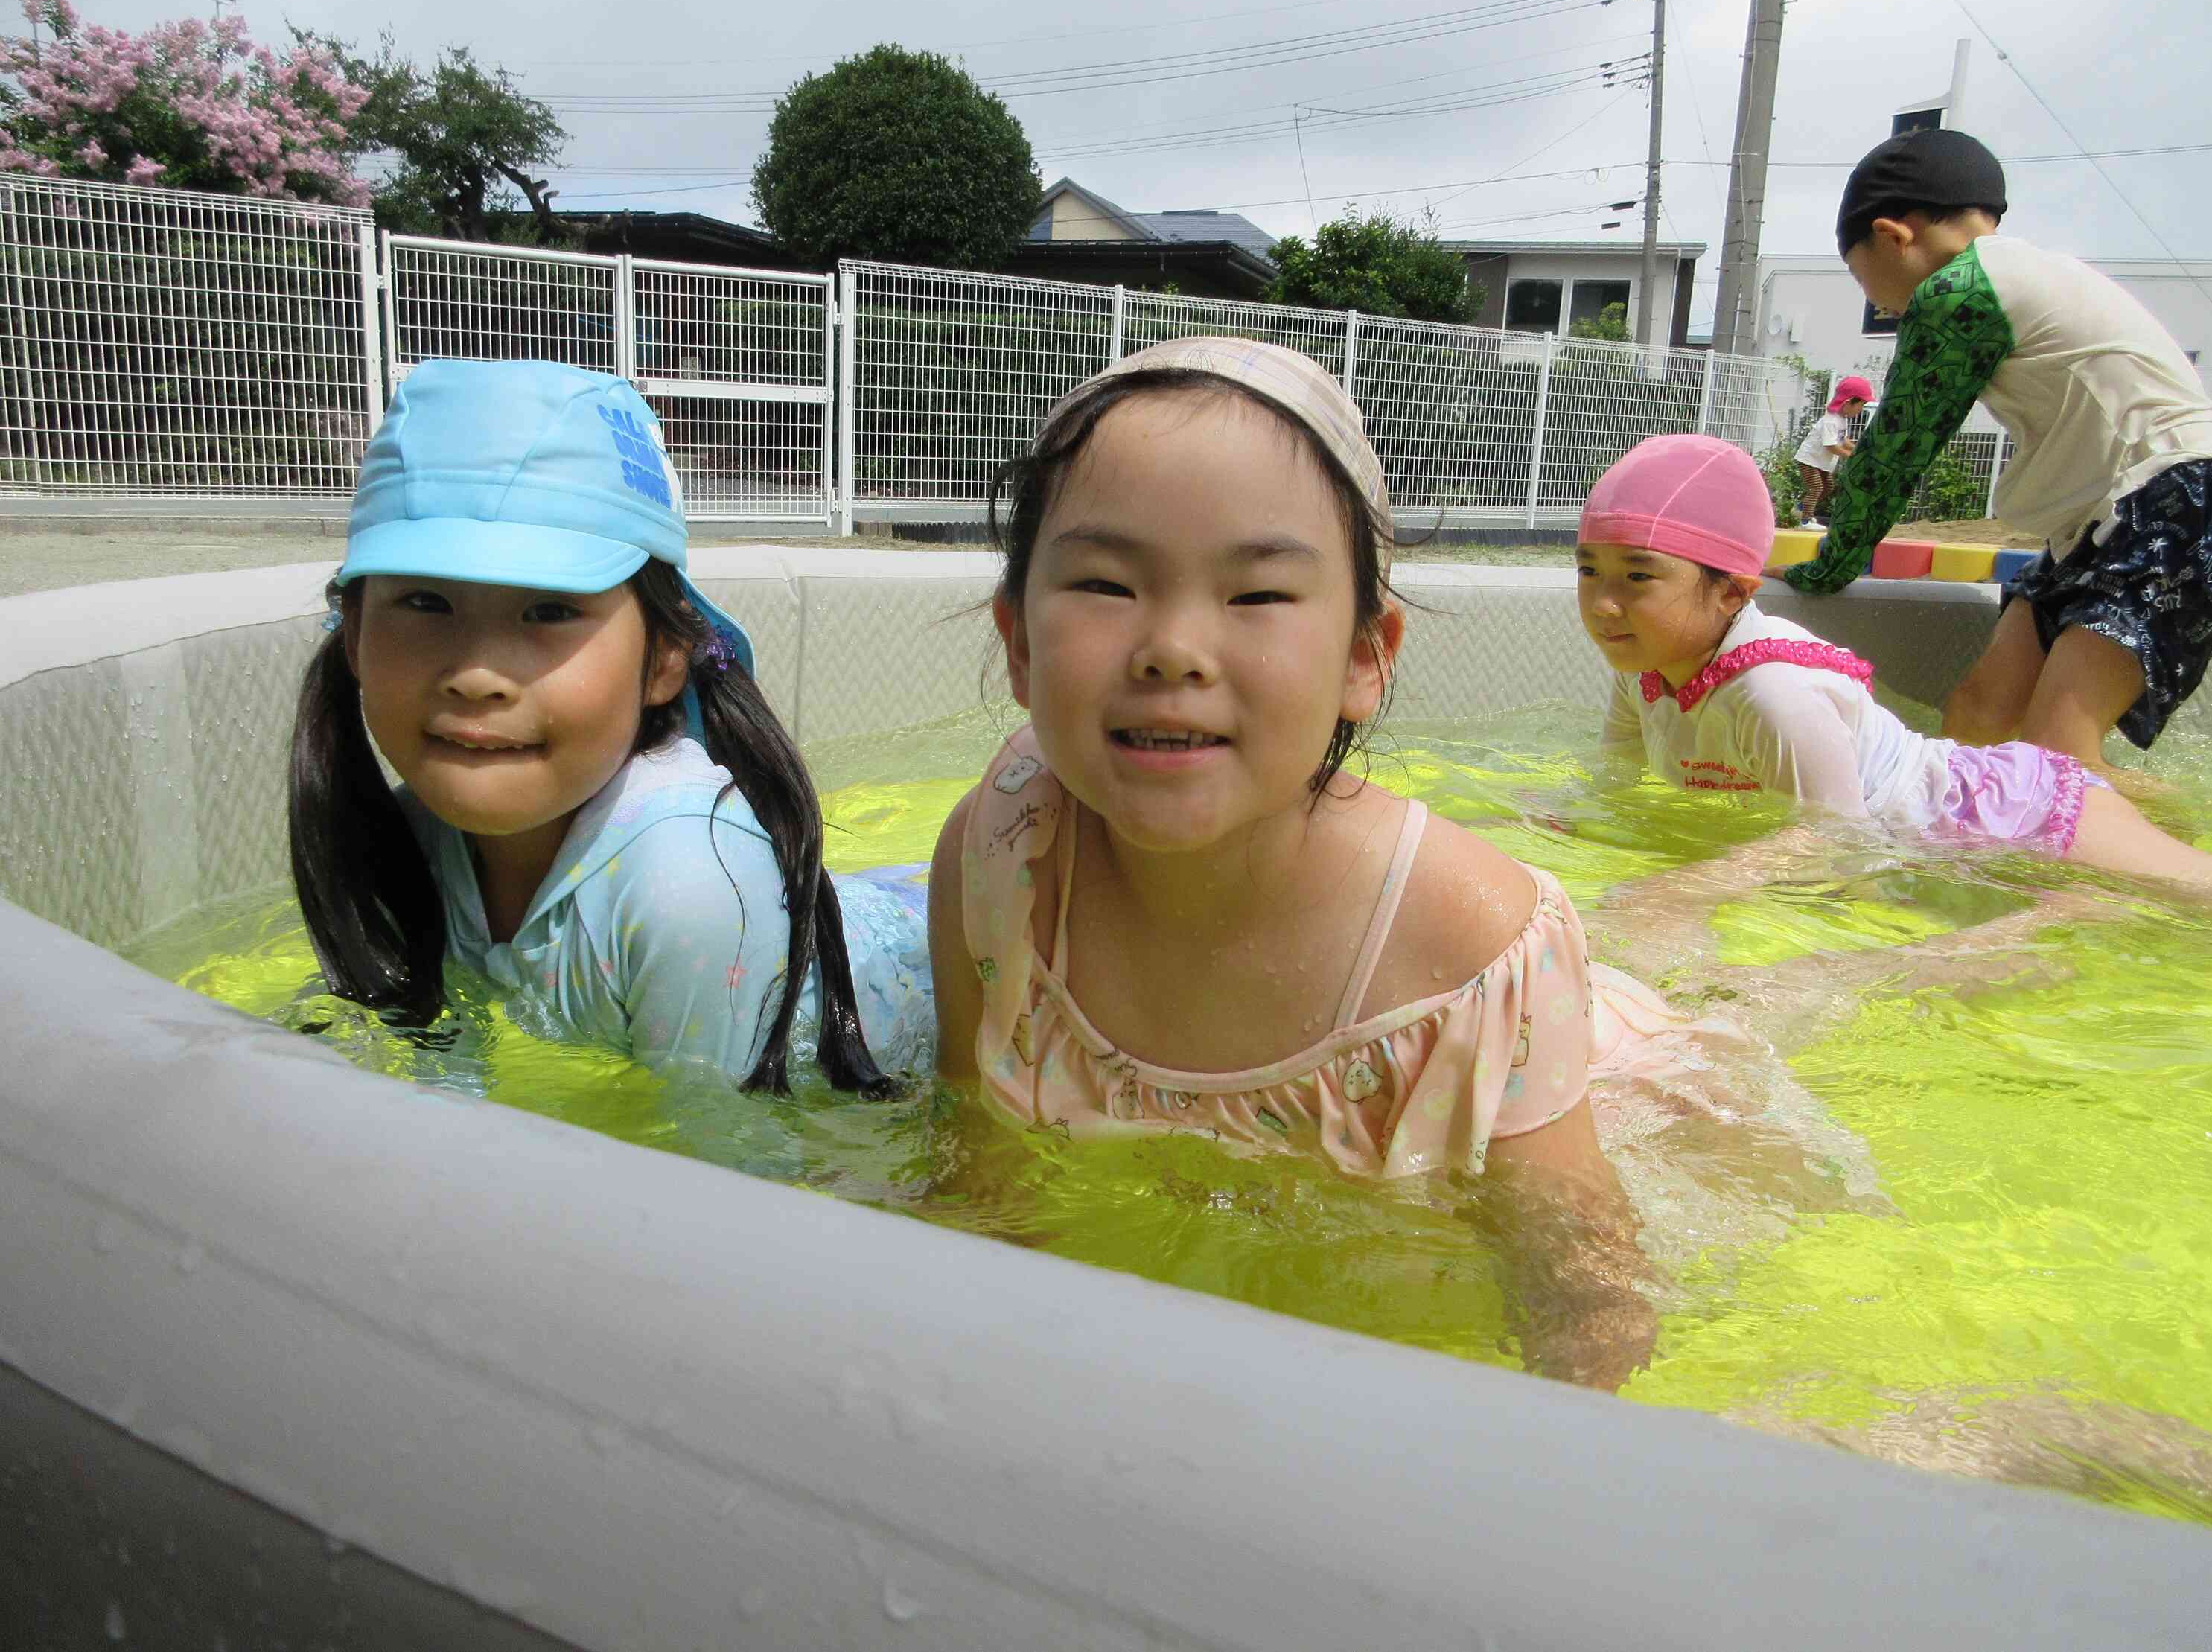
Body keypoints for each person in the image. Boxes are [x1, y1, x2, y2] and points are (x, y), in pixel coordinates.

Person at [925, 337, 1736, 1390]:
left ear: (1367, 656)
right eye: (1104, 583)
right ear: (1020, 646)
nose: (1172, 646)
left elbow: (1588, 1300)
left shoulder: (1479, 949)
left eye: (1257, 595)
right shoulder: (1000, 861)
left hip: (1620, 1079)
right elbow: (977, 1173)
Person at [287, 359, 933, 1095]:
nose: (475, 673)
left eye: (550, 611)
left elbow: (728, 1171)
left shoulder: (688, 888)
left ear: (664, 658)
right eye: (426, 603)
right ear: (353, 637)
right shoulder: (401, 840)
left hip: (925, 975)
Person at [1583, 433, 2212, 892]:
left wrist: (1684, 892)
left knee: (2207, 899)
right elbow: (1615, 788)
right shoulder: (1643, 671)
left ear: (1733, 592)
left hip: (2018, 816)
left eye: (1638, 578)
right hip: (1959, 833)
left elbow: (1836, 844)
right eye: (1589, 571)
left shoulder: (1771, 694)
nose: (1605, 605)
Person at [1771, 128, 2212, 770]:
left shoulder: (1960, 290)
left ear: (1891, 236)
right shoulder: (2031, 270)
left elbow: (1897, 450)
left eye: (1860, 276)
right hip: (2108, 518)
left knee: (2055, 749)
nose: (1874, 299)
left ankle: (2181, 868)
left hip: (2175, 502)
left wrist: (1826, 567)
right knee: (1981, 713)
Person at [1791, 374, 1872, 529]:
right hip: (1809, 459)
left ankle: (1802, 508)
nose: (1861, 410)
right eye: (1860, 405)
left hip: (1820, 462)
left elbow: (1842, 440)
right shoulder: (1831, 421)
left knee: (1828, 487)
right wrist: (1851, 456)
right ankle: (1805, 522)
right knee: (1816, 488)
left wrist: (1858, 450)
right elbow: (1831, 446)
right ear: (1848, 402)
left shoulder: (1842, 419)